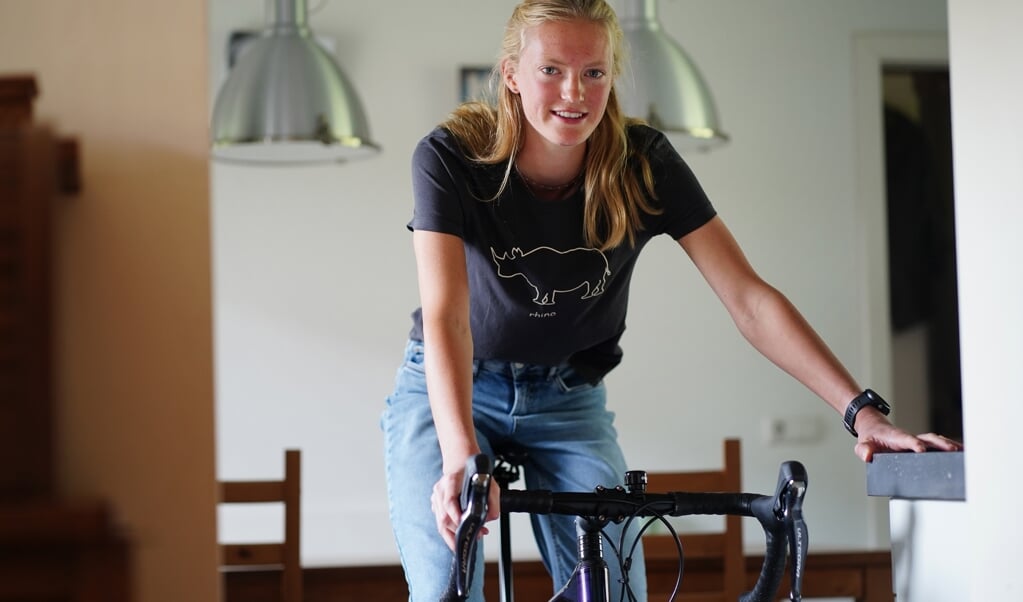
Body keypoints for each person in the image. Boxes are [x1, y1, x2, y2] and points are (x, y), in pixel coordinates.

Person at [381, 1, 962, 600]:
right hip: (450, 386)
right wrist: (460, 457)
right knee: (444, 585)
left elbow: (749, 299)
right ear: (510, 73)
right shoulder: (452, 156)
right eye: (551, 69)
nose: (574, 91)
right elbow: (448, 316)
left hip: (567, 398)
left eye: (595, 72)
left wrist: (863, 414)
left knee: (618, 590)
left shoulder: (643, 162)